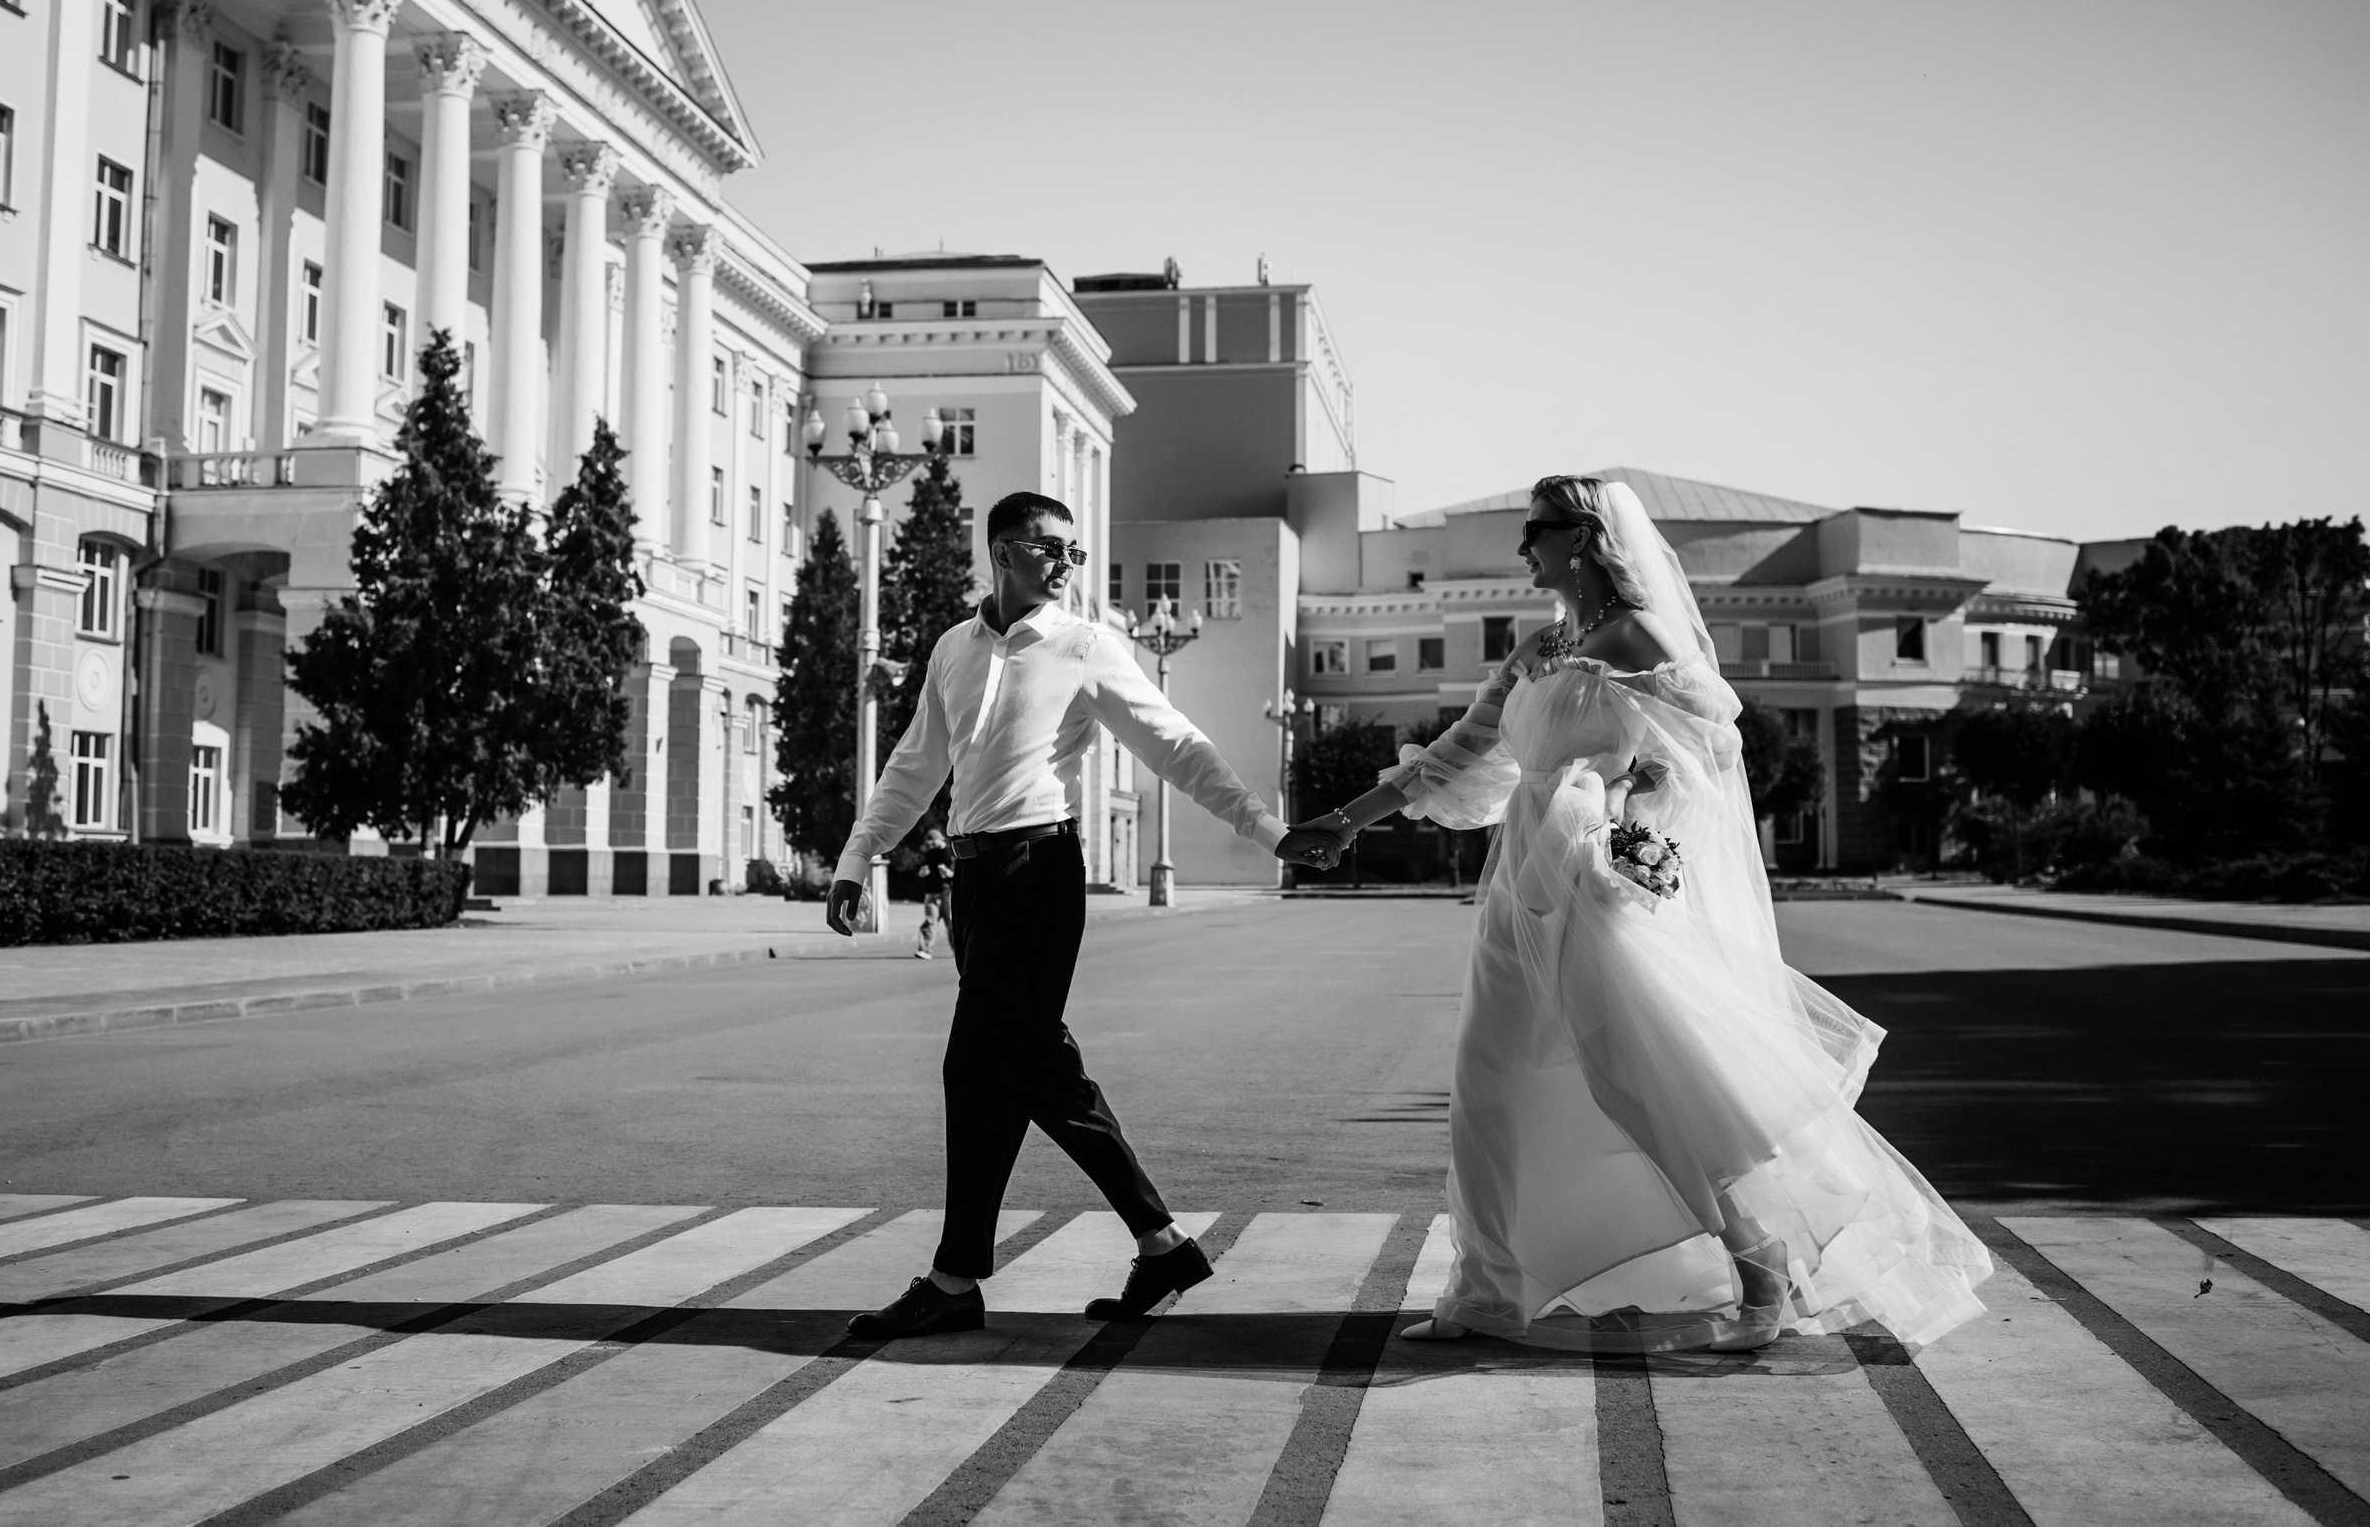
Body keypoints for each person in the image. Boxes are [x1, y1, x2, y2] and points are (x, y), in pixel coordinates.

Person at [1295, 476, 1990, 1353]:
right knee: (1487, 1083)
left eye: (1536, 531)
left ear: (1581, 537)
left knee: (1648, 1084)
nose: (1523, 548)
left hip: (1594, 884)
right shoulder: (1538, 648)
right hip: (1516, 884)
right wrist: (1342, 822)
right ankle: (1486, 1293)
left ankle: (1760, 1261)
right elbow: (1453, 755)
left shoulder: (1639, 636)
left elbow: (1718, 745)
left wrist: (1633, 795)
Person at [828, 490, 1343, 1340]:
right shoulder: (954, 649)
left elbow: (1173, 742)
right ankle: (1162, 1242)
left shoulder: (1084, 644)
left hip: (1038, 871)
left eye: (1074, 551)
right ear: (1001, 550)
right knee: (1036, 1069)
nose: (1068, 565)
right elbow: (915, 764)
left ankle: (958, 1279)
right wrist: (859, 852)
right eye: (1049, 548)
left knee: (979, 1065)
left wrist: (1268, 830)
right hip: (977, 881)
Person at [913, 827, 952, 961]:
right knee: (930, 921)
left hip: (947, 892)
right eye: (929, 844)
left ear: (940, 839)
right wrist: (921, 874)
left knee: (952, 923)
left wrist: (949, 874)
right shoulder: (929, 854)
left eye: (933, 843)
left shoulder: (950, 852)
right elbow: (921, 871)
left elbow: (959, 873)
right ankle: (925, 950)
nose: (931, 846)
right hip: (931, 892)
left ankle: (961, 952)